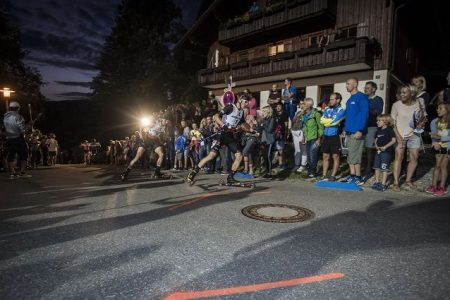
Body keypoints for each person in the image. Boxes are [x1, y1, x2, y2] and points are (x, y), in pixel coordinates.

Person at [186, 89, 252, 185]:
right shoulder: (230, 107)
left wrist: (250, 130)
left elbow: (243, 124)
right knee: (211, 155)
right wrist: (222, 125)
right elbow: (216, 116)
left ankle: (230, 178)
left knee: (239, 156)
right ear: (240, 99)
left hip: (230, 136)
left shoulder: (241, 112)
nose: (247, 104)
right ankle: (193, 173)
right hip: (222, 134)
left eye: (248, 102)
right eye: (246, 102)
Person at [391, 84, 426, 192]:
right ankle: (396, 182)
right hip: (400, 134)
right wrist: (399, 137)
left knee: (414, 157)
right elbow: (392, 123)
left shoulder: (420, 103)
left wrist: (422, 124)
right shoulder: (396, 105)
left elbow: (424, 117)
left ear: (412, 93)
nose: (402, 94)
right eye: (401, 92)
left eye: (404, 92)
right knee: (399, 157)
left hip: (414, 134)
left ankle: (408, 180)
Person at [342, 78, 369, 185]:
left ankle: (358, 177)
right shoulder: (350, 99)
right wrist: (345, 129)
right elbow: (348, 116)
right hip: (349, 131)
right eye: (346, 83)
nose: (346, 86)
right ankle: (352, 175)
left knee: (355, 155)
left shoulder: (361, 97)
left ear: (355, 84)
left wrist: (360, 129)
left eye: (348, 84)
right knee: (351, 154)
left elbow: (364, 114)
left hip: (357, 131)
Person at [320, 93, 345, 181]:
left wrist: (329, 121)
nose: (330, 101)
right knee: (325, 156)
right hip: (326, 135)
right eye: (330, 99)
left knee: (335, 156)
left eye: (332, 99)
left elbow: (335, 122)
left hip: (335, 136)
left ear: (338, 100)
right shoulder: (327, 109)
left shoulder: (341, 110)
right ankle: (324, 175)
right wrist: (329, 121)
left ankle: (333, 175)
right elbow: (321, 120)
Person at [3, 101, 31, 179]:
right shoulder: (18, 116)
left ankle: (13, 174)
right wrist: (28, 126)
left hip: (9, 139)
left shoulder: (5, 116)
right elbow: (22, 130)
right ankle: (22, 172)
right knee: (24, 155)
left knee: (11, 156)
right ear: (18, 108)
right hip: (18, 138)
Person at [426, 103, 450, 196]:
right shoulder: (434, 121)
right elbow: (433, 135)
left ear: (447, 110)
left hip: (447, 147)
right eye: (437, 108)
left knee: (444, 166)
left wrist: (441, 138)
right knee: (437, 166)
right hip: (437, 146)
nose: (438, 110)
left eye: (440, 108)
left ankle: (442, 187)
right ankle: (433, 185)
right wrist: (434, 142)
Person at [371, 114, 396, 192]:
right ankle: (377, 182)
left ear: (385, 122)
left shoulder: (389, 130)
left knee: (384, 168)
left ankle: (383, 184)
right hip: (378, 152)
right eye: (377, 120)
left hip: (386, 153)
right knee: (377, 167)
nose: (377, 122)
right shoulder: (378, 131)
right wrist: (376, 146)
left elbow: (393, 140)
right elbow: (375, 140)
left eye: (379, 120)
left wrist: (385, 147)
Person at [364, 81, 384, 175]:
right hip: (361, 126)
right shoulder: (363, 99)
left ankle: (369, 168)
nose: (365, 89)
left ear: (374, 89)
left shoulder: (378, 99)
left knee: (369, 148)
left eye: (368, 87)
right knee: (361, 148)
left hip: (371, 126)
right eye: (365, 87)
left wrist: (365, 107)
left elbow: (377, 112)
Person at [301, 98, 324, 178]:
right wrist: (304, 136)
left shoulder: (316, 114)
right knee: (309, 155)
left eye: (304, 104)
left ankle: (313, 172)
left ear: (309, 105)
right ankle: (310, 171)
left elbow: (321, 127)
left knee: (313, 155)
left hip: (315, 137)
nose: (302, 105)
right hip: (308, 138)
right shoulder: (304, 115)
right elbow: (304, 126)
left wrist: (319, 138)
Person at [291, 100, 307, 173]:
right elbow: (293, 122)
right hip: (295, 131)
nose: (301, 105)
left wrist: (304, 134)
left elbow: (305, 124)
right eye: (300, 104)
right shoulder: (297, 112)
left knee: (303, 150)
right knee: (297, 150)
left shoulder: (306, 113)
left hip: (301, 132)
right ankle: (297, 164)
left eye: (303, 104)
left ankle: (303, 165)